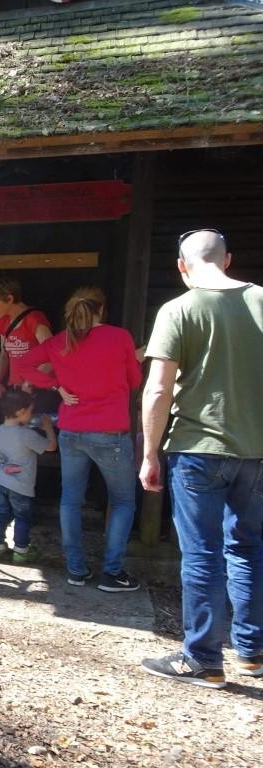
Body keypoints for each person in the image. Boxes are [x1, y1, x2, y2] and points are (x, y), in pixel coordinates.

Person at [139, 229, 263, 688]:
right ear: (227, 259)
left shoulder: (179, 309)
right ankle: (252, 652)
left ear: (181, 265)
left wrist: (150, 452)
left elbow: (157, 389)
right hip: (256, 450)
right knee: (248, 547)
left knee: (202, 552)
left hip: (196, 449)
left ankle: (203, 659)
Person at [15, 286, 142, 592]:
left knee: (70, 500)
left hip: (71, 429)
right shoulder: (120, 337)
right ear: (102, 309)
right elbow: (134, 381)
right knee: (123, 501)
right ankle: (112, 573)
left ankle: (76, 570)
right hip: (111, 431)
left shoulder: (61, 342)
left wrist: (55, 385)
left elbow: (22, 366)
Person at [0, 389, 57, 564]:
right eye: (30, 411)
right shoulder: (26, 434)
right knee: (22, 517)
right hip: (20, 485)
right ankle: (21, 550)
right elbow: (50, 447)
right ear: (20, 412)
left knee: (0, 514)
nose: (31, 414)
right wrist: (48, 428)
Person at [0, 277, 53, 401]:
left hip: (37, 390)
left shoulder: (35, 320)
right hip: (15, 389)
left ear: (9, 299)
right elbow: (4, 354)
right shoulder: (3, 321)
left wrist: (30, 381)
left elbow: (52, 356)